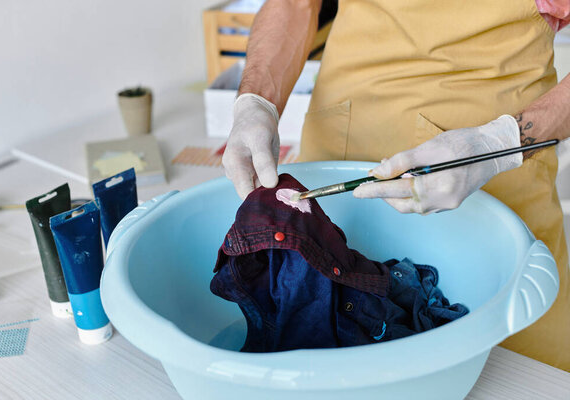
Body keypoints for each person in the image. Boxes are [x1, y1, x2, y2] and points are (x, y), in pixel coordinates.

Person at [221, 0, 570, 371]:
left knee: (523, 370)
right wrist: (256, 102)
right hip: (344, 133)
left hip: (496, 162)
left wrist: (502, 142)